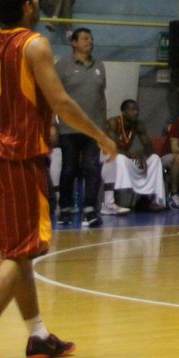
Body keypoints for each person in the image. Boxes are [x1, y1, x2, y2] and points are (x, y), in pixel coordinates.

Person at [0, 0, 117, 358]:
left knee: (19, 252)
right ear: (27, 7)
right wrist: (100, 136)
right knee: (23, 249)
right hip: (18, 158)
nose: (38, 0)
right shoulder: (34, 44)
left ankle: (38, 336)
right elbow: (61, 102)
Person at [52, 28, 112, 226]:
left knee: (92, 168)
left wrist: (103, 126)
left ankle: (90, 209)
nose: (90, 42)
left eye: (91, 38)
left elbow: (102, 97)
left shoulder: (99, 66)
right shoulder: (63, 66)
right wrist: (52, 122)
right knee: (68, 168)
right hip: (69, 128)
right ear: (74, 42)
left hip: (93, 129)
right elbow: (53, 95)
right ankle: (65, 208)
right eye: (85, 38)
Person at [106, 99, 165, 211]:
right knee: (120, 158)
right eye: (132, 109)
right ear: (123, 112)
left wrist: (141, 154)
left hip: (126, 157)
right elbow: (112, 148)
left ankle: (146, 199)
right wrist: (132, 154)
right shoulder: (114, 122)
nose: (136, 112)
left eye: (137, 110)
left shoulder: (138, 125)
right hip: (110, 159)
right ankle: (115, 199)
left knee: (155, 159)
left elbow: (149, 148)